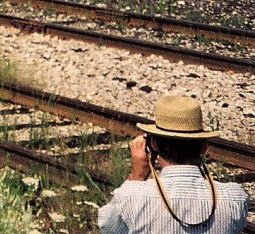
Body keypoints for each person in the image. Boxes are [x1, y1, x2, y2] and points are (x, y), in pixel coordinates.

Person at [97, 95, 248, 234]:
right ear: (204, 146)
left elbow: (109, 229)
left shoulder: (130, 197)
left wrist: (138, 175)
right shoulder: (235, 198)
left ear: (153, 144)